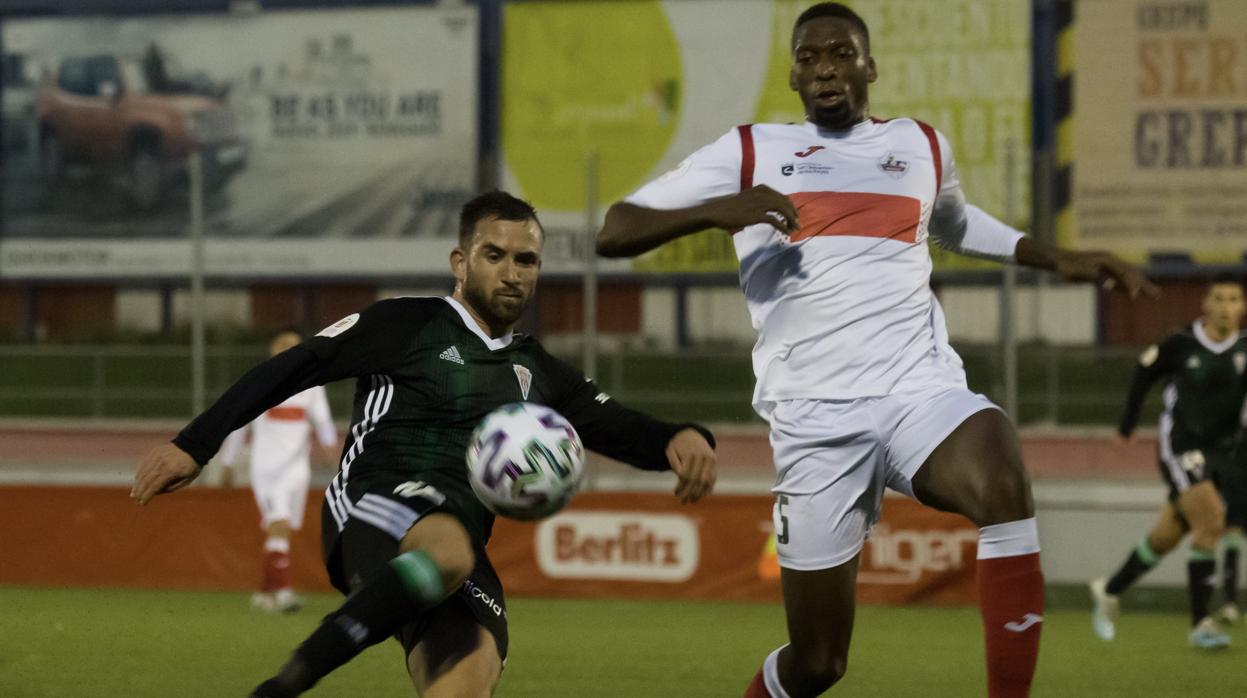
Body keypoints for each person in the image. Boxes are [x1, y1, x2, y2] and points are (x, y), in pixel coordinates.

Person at [595, 4, 1157, 697]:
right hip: (812, 418)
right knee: (818, 664)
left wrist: (1056, 257)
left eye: (839, 53)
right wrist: (715, 210)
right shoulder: (748, 151)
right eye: (807, 58)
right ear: (794, 77)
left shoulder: (920, 144)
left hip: (915, 391)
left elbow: (952, 223)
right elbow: (613, 229)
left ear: (869, 66)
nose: (824, 68)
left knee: (1002, 477)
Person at [132, 191, 718, 698]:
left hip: (453, 543)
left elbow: (614, 424)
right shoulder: (405, 324)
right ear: (460, 263)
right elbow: (294, 367)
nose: (512, 272)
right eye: (495, 256)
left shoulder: (537, 369)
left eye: (526, 260)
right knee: (450, 549)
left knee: (470, 676)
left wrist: (681, 437)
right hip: (373, 504)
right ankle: (287, 682)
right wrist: (196, 443)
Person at [1090, 274, 1246, 649]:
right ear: (1205, 305)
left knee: (1166, 537)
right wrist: (1127, 427)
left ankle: (1109, 589)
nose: (1226, 307)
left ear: (1242, 307)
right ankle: (1201, 624)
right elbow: (1142, 375)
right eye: (1219, 299)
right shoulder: (1181, 343)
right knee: (1211, 520)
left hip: (1225, 452)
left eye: (1234, 300)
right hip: (1180, 446)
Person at [217, 330, 339, 614]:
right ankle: (283, 592)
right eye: (281, 342)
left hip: (297, 469)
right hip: (267, 469)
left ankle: (263, 592)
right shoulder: (260, 382)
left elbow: (324, 427)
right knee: (280, 525)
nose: (286, 347)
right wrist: (228, 463)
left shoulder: (313, 386)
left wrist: (338, 461)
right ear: (271, 348)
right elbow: (239, 425)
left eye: (292, 344)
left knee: (280, 530)